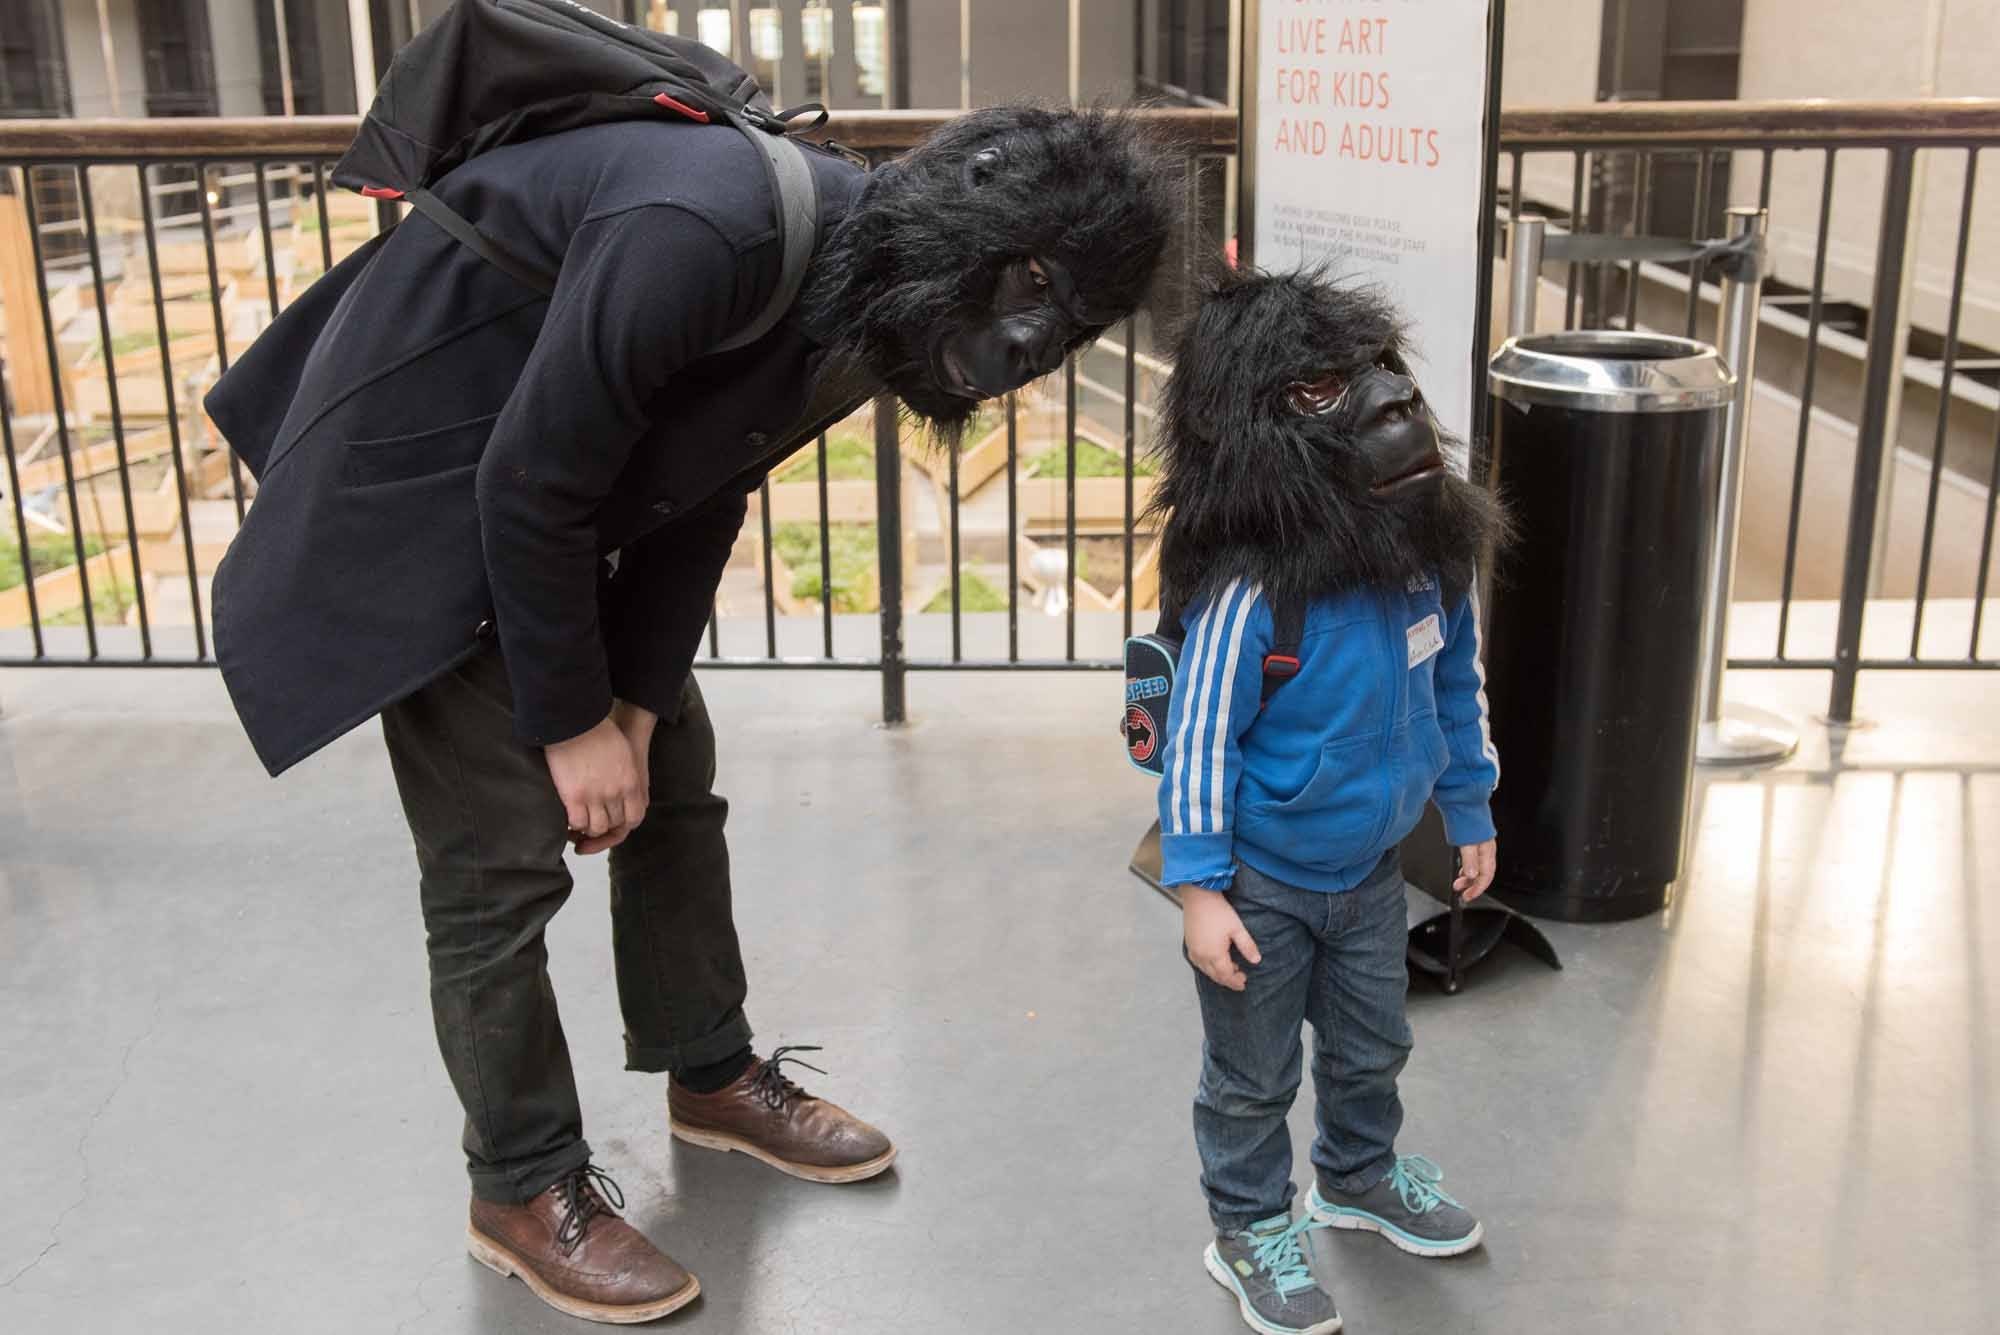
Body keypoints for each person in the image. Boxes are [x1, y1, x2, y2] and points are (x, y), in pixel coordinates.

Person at [203, 94, 1170, 1321]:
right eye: (1041, 312)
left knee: (672, 781)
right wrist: (567, 726)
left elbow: (706, 479)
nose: (1035, 356)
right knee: (497, 860)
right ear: (992, 254)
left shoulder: (869, 280)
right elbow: (526, 483)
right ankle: (518, 1184)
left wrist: (638, 704)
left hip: (552, 487)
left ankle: (707, 1074)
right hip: (431, 480)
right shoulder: (706, 232)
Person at [1146, 270, 1509, 1335]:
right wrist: (1198, 890)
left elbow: (1453, 686)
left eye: (1368, 377)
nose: (1375, 408)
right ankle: (1246, 1227)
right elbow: (1200, 741)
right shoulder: (1253, 589)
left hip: (1368, 875)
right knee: (1250, 1079)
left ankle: (1354, 1177)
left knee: (1370, 1047)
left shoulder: (1424, 564)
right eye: (1314, 392)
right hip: (1261, 881)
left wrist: (1469, 811)